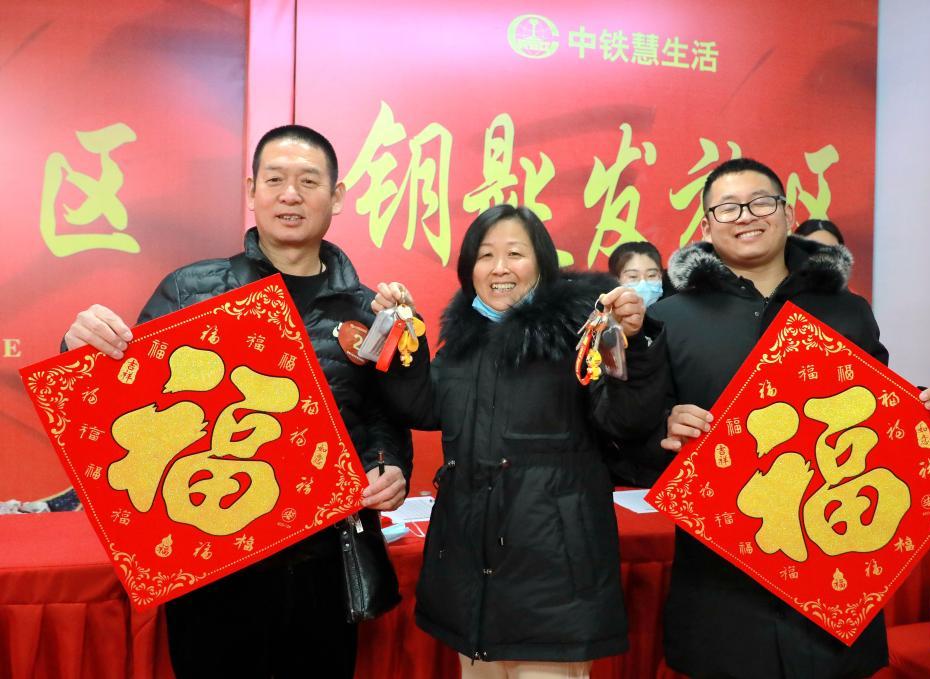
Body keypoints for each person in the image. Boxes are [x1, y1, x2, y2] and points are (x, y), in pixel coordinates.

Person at [62, 125, 412, 678]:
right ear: (252, 191)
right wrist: (79, 345)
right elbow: (125, 399)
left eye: (308, 182)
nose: (290, 195)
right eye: (275, 180)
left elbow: (381, 415)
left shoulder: (368, 311)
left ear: (337, 196)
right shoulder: (190, 289)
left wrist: (388, 465)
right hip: (211, 563)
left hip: (322, 563)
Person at [650, 158, 930, 678]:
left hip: (832, 565)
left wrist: (926, 409)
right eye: (727, 208)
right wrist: (665, 425)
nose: (746, 216)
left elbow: (874, 414)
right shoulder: (669, 318)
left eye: (761, 202)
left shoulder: (847, 309)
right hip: (723, 586)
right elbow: (637, 437)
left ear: (788, 213)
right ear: (706, 227)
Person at [372, 204, 668, 678]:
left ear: (542, 263)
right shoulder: (466, 339)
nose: (499, 268)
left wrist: (634, 343)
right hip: (471, 577)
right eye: (485, 255)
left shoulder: (580, 333)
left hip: (555, 579)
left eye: (515, 253)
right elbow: (424, 407)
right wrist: (403, 338)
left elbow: (625, 420)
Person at [607, 241, 669, 307]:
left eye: (651, 275)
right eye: (633, 276)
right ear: (616, 279)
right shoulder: (604, 310)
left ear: (661, 275)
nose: (643, 285)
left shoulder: (674, 307)